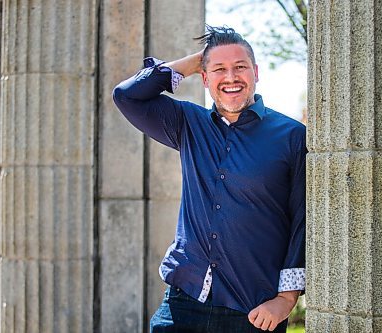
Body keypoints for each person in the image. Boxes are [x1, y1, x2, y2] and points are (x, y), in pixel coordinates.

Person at [113, 25, 306, 333]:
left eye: (240, 67)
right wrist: (195, 61)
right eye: (218, 69)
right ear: (204, 79)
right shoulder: (189, 124)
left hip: (254, 310)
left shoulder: (292, 136)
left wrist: (285, 299)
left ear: (256, 72)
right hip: (183, 303)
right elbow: (127, 96)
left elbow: (302, 220)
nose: (231, 77)